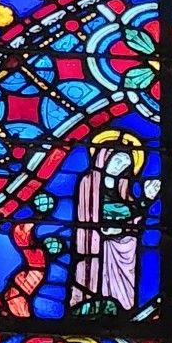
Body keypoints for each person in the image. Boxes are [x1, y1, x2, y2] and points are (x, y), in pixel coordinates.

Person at [68, 132, 158, 316]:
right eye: (117, 161)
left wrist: (146, 200)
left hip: (125, 250)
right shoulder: (88, 183)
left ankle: (123, 313)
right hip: (97, 250)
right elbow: (87, 217)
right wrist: (104, 230)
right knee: (98, 288)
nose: (120, 167)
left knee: (123, 297)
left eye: (125, 164)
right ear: (103, 158)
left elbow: (134, 220)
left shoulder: (124, 191)